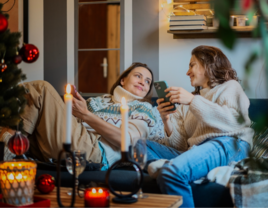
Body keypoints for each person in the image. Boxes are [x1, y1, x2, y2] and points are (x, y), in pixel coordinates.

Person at [145, 45, 254, 208]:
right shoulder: (187, 101)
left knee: (171, 173)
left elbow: (234, 121)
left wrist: (192, 100)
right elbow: (181, 145)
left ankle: (169, 169)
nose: (187, 72)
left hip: (229, 143)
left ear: (208, 64)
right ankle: (174, 167)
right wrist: (166, 119)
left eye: (191, 65)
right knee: (139, 145)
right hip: (197, 150)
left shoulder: (230, 87)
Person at [0, 62, 160, 170]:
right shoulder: (97, 102)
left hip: (96, 152)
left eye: (148, 81)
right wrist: (69, 108)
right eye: (138, 76)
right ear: (123, 80)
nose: (143, 82)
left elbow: (127, 141)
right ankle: (12, 147)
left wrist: (86, 115)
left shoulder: (144, 108)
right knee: (27, 97)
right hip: (68, 143)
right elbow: (67, 124)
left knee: (41, 89)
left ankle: (8, 149)